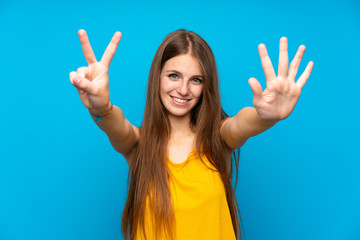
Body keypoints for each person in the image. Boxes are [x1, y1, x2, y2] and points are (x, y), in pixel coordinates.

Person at [69, 29, 313, 240]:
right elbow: (115, 125)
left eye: (196, 80)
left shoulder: (219, 137)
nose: (183, 90)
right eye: (173, 75)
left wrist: (267, 115)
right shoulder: (138, 144)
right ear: (158, 78)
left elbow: (242, 123)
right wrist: (100, 107)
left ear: (206, 86)